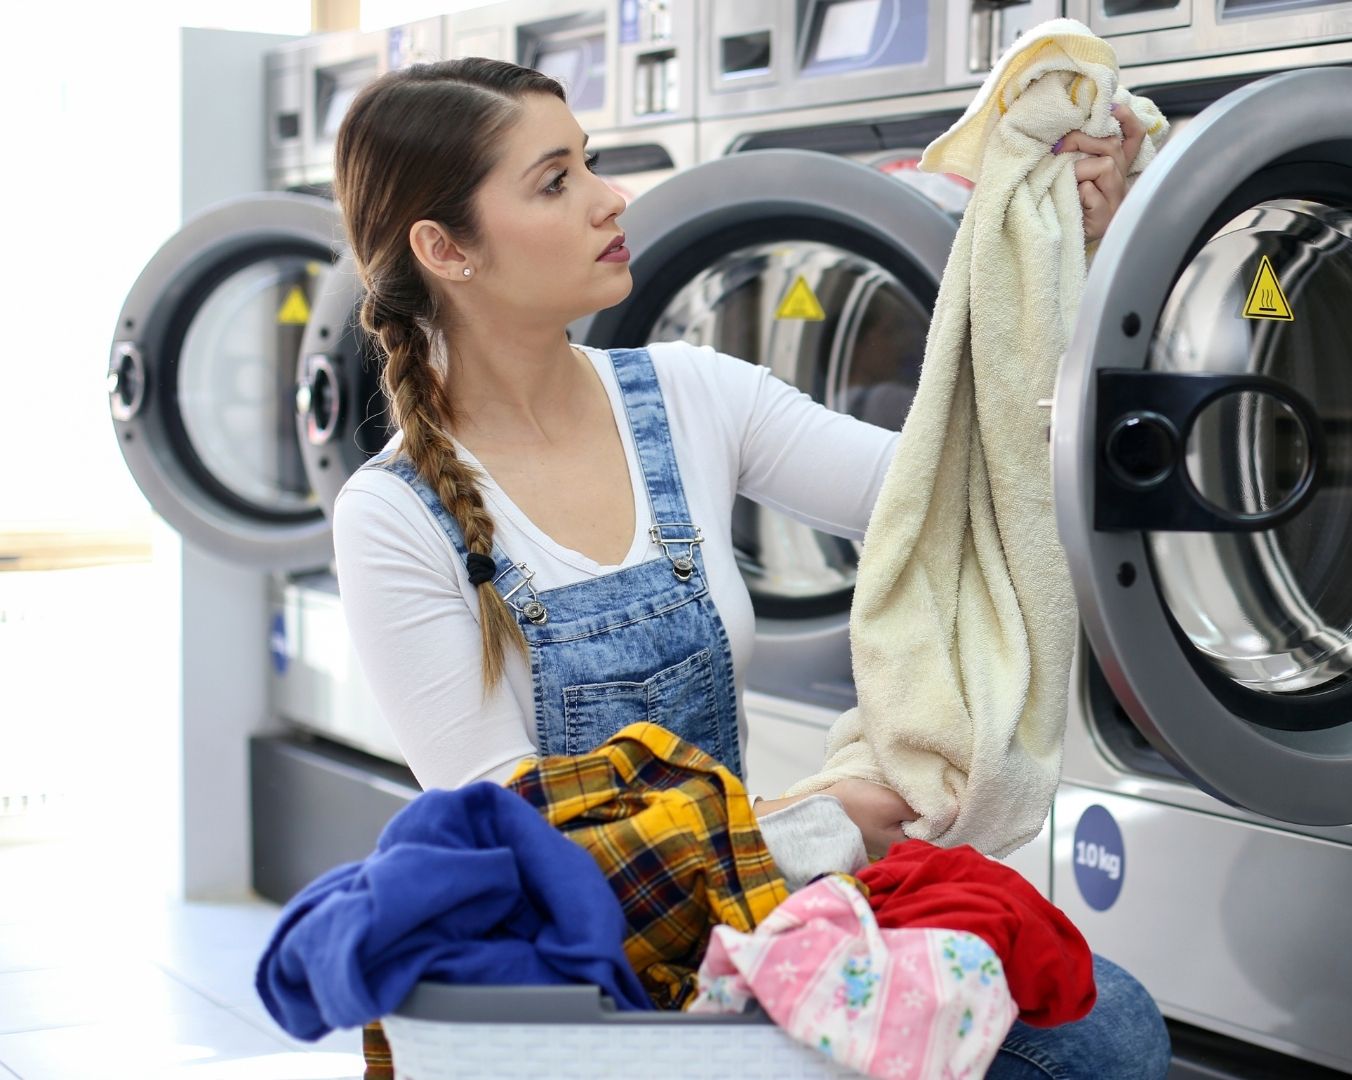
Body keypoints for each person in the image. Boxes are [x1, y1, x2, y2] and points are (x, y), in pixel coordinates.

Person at [329, 57, 1170, 1078]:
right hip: (581, 978)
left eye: (589, 163)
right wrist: (812, 825)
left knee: (1106, 1018)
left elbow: (948, 489)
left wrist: (1061, 259)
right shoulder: (393, 514)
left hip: (748, 918)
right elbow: (530, 850)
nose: (610, 197)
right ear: (445, 248)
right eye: (556, 181)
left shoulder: (687, 396)